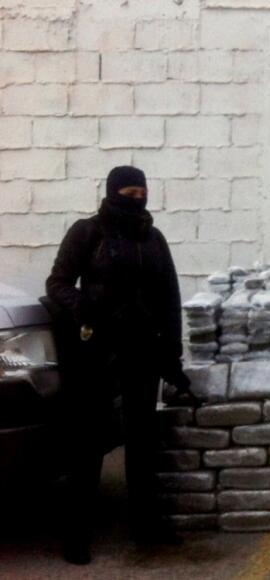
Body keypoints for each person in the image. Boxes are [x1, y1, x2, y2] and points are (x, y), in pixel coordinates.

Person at [45, 165, 195, 565]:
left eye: (141, 192)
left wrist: (172, 349)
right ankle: (77, 536)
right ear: (112, 192)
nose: (136, 198)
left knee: (142, 440)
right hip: (97, 351)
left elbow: (169, 296)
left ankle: (145, 526)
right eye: (128, 191)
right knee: (88, 442)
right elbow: (57, 284)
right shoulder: (87, 232)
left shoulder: (154, 238)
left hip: (142, 350)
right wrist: (87, 310)